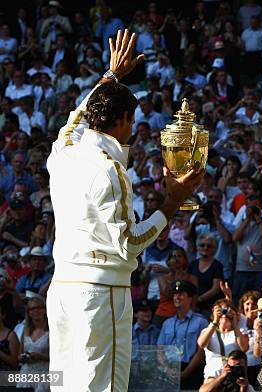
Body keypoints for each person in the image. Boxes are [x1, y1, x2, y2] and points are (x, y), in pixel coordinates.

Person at [46, 29, 203, 391]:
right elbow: (130, 243)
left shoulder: (63, 149)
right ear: (122, 121)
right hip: (101, 294)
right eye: (130, 120)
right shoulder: (110, 170)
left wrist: (111, 76)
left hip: (62, 290)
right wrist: (172, 202)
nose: (132, 128)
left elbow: (78, 116)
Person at [157, 280, 208, 390]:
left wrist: (185, 373)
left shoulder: (201, 322)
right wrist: (167, 369)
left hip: (191, 371)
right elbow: (160, 350)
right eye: (175, 294)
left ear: (190, 298)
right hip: (169, 370)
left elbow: (201, 352)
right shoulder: (167, 323)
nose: (177, 297)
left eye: (181, 294)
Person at [17, 295, 49, 392]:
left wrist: (41, 356)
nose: (36, 311)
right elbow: (18, 355)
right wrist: (23, 357)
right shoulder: (25, 331)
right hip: (26, 376)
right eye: (32, 309)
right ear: (29, 313)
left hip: (45, 376)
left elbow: (60, 357)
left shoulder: (52, 332)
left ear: (44, 310)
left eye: (39, 307)